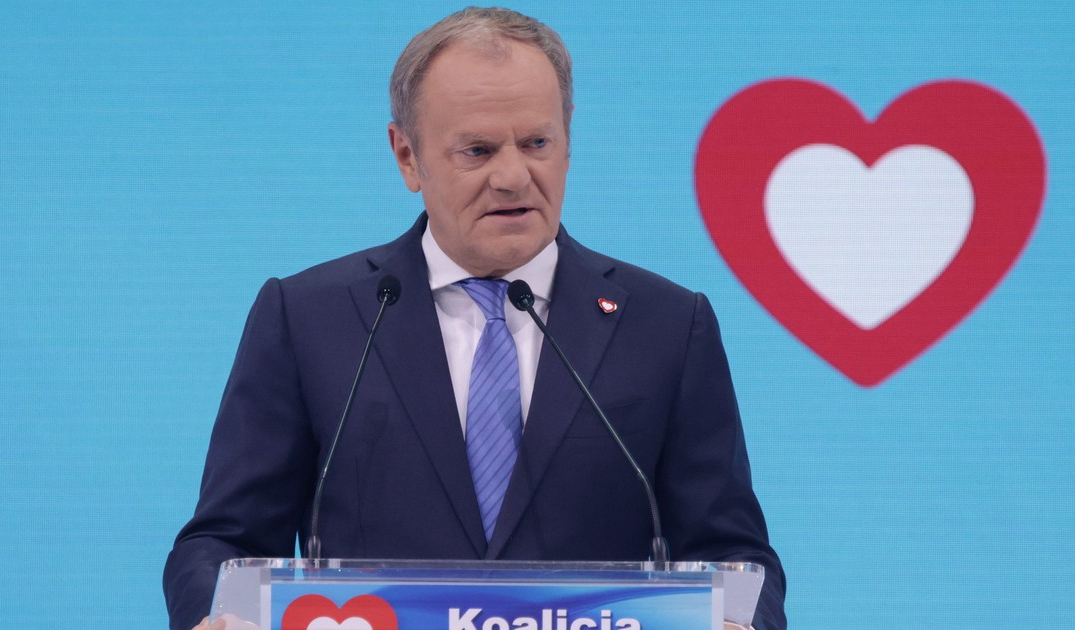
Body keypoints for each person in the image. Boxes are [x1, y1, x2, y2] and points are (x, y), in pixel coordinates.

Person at [164, 7, 786, 630]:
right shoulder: (309, 319)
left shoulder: (666, 325)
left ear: (568, 139)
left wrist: (743, 622)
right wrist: (215, 617)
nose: (513, 177)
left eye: (537, 143)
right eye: (478, 150)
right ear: (407, 156)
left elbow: (733, 554)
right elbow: (223, 541)